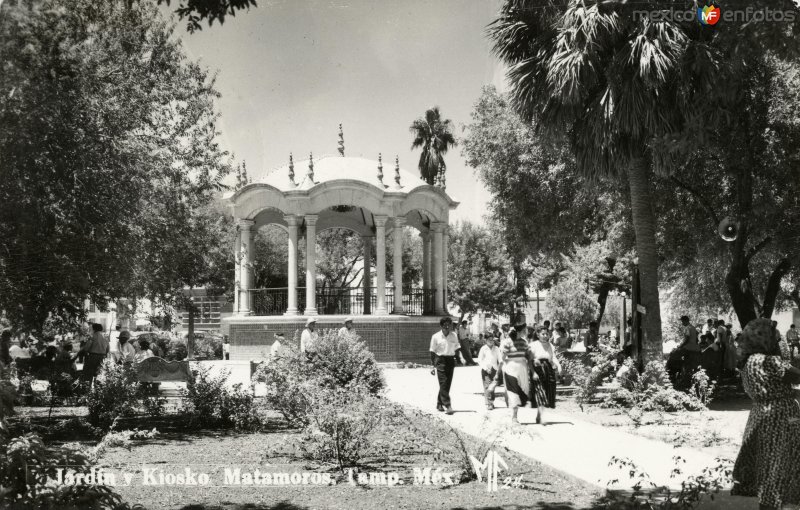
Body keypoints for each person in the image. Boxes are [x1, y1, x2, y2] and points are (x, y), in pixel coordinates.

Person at [731, 318, 800, 509]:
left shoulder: (747, 363)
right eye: (775, 339)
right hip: (781, 419)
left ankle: (768, 501)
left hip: (760, 416)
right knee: (781, 464)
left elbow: (770, 387)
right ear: (764, 339)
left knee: (767, 463)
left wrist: (793, 393)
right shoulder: (770, 361)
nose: (778, 344)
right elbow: (796, 375)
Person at [530, 327, 561, 424]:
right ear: (538, 334)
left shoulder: (550, 345)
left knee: (546, 393)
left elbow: (553, 358)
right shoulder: (533, 345)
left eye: (547, 334)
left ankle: (539, 416)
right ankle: (541, 417)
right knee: (540, 393)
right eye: (543, 334)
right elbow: (529, 360)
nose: (545, 336)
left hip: (548, 370)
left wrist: (559, 366)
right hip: (537, 370)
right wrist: (533, 372)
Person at [500, 329, 532, 424]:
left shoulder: (524, 342)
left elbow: (528, 355)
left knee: (522, 392)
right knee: (513, 393)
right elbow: (502, 357)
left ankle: (512, 404)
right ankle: (514, 417)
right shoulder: (507, 342)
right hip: (511, 369)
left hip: (522, 369)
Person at [429, 317, 459, 414]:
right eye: (445, 325)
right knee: (443, 382)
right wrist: (432, 366)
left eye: (449, 325)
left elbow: (457, 348)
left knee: (447, 383)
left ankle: (439, 403)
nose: (447, 327)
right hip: (440, 360)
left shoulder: (454, 335)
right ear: (441, 326)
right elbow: (432, 352)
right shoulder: (435, 337)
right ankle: (448, 405)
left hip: (450, 360)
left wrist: (458, 358)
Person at [477, 329, 501, 410]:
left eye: (492, 340)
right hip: (486, 370)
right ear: (485, 340)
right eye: (489, 340)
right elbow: (479, 360)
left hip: (494, 369)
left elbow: (500, 359)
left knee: (492, 386)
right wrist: (485, 368)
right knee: (487, 385)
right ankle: (489, 403)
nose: (491, 341)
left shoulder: (496, 348)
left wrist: (499, 369)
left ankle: (490, 401)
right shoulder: (483, 348)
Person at [678, 315, 701, 388]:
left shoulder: (687, 328)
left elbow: (687, 339)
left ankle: (684, 380)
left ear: (686, 321)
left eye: (682, 321)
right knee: (693, 366)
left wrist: (680, 346)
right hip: (695, 348)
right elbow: (696, 339)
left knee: (684, 363)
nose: (682, 323)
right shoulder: (693, 327)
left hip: (688, 348)